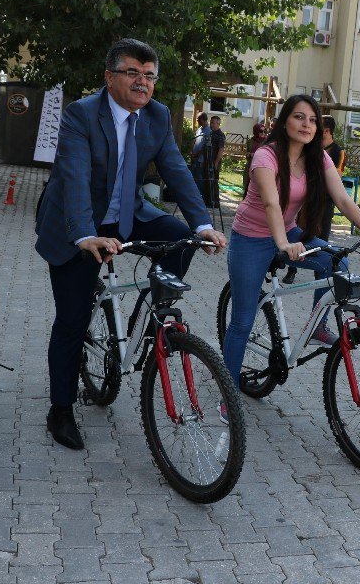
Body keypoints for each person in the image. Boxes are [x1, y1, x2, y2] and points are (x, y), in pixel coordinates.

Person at [35, 38, 226, 450]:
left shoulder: (157, 116)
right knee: (71, 318)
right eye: (133, 73)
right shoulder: (81, 114)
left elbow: (176, 170)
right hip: (75, 223)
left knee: (183, 239)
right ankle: (61, 408)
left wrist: (205, 224)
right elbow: (75, 179)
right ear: (109, 77)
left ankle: (150, 313)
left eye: (150, 75)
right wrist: (86, 235)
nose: (143, 83)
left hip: (128, 215)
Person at [223, 94, 360, 391]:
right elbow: (270, 204)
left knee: (337, 261)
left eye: (313, 119)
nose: (307, 124)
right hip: (251, 238)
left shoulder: (318, 157)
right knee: (242, 321)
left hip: (287, 233)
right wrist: (282, 244)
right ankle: (228, 391)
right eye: (299, 117)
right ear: (285, 120)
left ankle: (317, 327)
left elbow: (341, 198)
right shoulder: (266, 155)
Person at [318, 115, 344, 241]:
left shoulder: (338, 152)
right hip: (307, 198)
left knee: (322, 237)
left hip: (326, 201)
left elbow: (338, 176)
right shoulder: (313, 147)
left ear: (326, 131)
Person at [190, 112, 211, 203]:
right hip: (194, 157)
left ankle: (200, 198)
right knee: (193, 177)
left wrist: (197, 154)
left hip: (201, 159)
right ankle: (194, 196)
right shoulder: (199, 129)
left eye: (198, 120)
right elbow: (196, 141)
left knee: (199, 178)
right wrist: (192, 151)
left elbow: (205, 147)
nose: (197, 121)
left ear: (203, 120)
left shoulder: (209, 131)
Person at [206, 115, 226, 207]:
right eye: (211, 122)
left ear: (218, 124)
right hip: (208, 160)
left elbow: (221, 150)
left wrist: (216, 162)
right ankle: (209, 200)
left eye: (214, 123)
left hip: (215, 162)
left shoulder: (220, 135)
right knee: (208, 181)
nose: (212, 125)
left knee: (214, 181)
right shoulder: (211, 133)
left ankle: (215, 202)